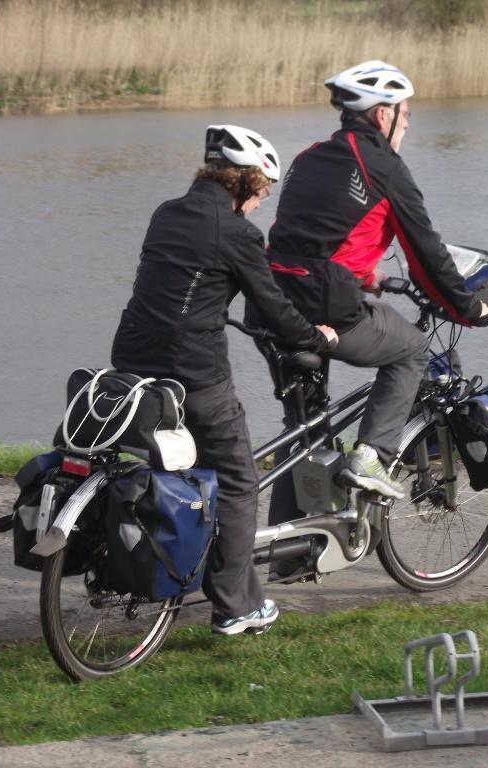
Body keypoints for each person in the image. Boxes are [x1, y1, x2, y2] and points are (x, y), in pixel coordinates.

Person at [244, 61, 488, 580]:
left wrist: (365, 275)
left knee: (304, 426)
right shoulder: (386, 168)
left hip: (270, 303)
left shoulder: (313, 156)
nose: (408, 125)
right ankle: (373, 456)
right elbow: (426, 254)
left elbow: (310, 234)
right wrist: (468, 308)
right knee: (412, 349)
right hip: (323, 307)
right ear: (382, 114)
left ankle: (288, 558)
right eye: (404, 115)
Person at [111, 124, 338, 635]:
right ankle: (236, 605)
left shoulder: (166, 213)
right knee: (238, 480)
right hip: (193, 374)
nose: (262, 204)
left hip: (131, 362)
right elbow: (274, 309)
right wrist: (318, 337)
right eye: (263, 193)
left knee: (180, 467)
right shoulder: (237, 233)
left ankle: (183, 563)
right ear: (245, 183)